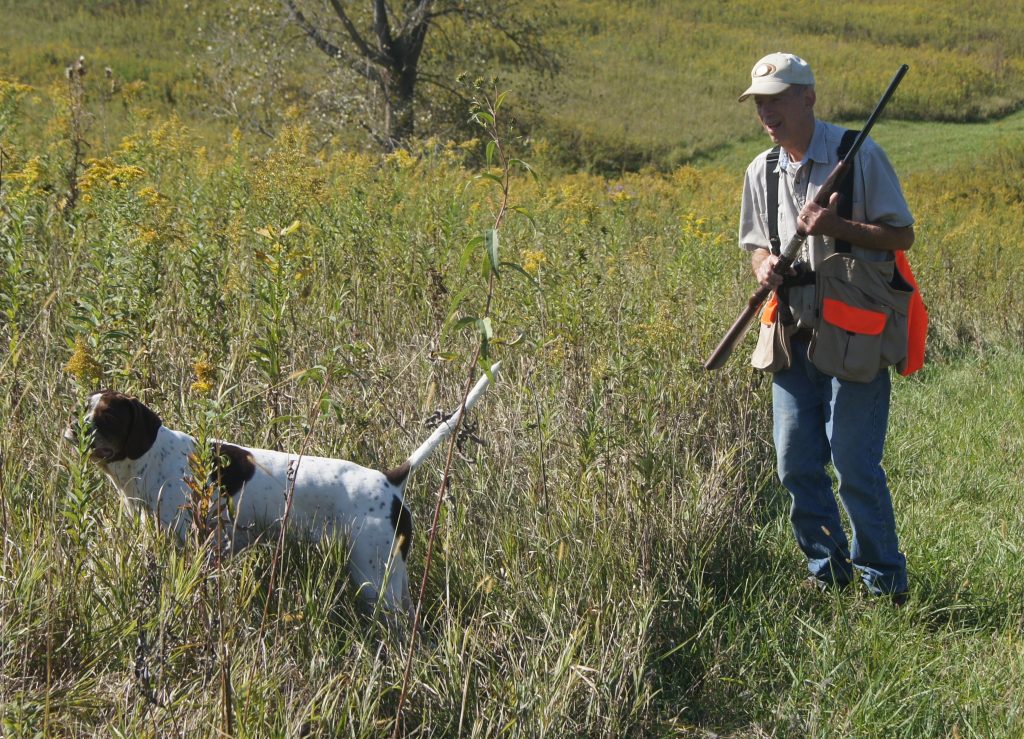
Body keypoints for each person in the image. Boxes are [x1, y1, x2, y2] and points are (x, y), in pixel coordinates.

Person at [737, 52, 914, 602]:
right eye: (760, 102)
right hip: (791, 334)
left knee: (854, 466)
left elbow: (901, 236)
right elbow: (755, 246)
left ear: (808, 97)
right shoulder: (760, 170)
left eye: (778, 98)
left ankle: (884, 585)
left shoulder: (858, 155)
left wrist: (838, 225)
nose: (767, 111)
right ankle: (827, 573)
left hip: (853, 336)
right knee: (794, 464)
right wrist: (765, 265)